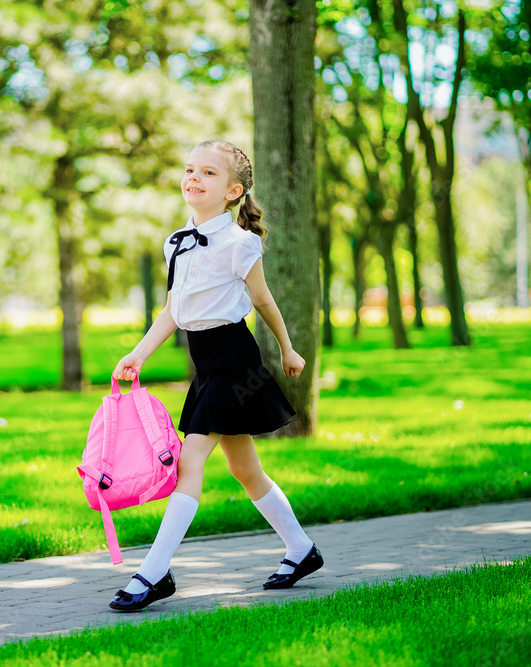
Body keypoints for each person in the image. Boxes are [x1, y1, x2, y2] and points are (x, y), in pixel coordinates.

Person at [107, 140, 322, 612]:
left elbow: (263, 301)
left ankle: (153, 572)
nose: (193, 178)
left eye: (207, 172)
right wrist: (138, 354)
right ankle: (302, 551)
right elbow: (173, 310)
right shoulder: (176, 242)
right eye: (189, 169)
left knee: (189, 461)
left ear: (232, 191)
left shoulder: (240, 243)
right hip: (205, 364)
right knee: (245, 470)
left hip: (235, 362)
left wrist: (288, 349)